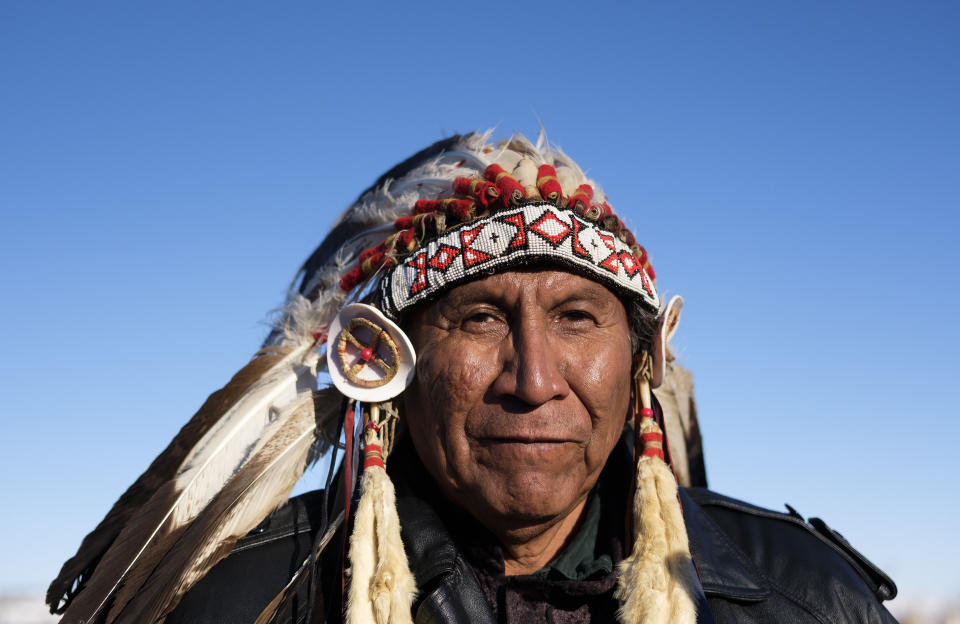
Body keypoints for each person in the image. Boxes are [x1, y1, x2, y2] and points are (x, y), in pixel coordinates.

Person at [49, 133, 898, 624]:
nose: (533, 380)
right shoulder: (249, 604)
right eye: (480, 319)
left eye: (577, 318)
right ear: (387, 364)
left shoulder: (809, 602)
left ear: (642, 362)